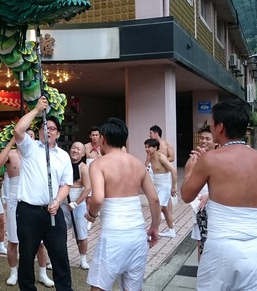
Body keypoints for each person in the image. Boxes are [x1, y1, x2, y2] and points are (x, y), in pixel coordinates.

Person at [181, 98, 257, 290]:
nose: (210, 127)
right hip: (253, 249)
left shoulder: (210, 159)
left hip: (221, 249)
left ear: (220, 127)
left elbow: (186, 195)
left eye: (212, 122)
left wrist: (189, 172)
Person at [85, 117, 161, 291]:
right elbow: (154, 199)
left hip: (113, 235)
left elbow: (97, 198)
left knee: (99, 287)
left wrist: (91, 215)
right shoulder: (137, 164)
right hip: (137, 235)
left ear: (103, 139)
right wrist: (154, 227)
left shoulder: (98, 164)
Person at [13, 96, 73, 291]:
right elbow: (18, 130)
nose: (48, 131)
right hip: (28, 211)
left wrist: (57, 201)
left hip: (53, 212)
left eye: (52, 128)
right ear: (39, 132)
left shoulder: (63, 156)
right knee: (27, 256)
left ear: (58, 133)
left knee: (60, 255)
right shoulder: (30, 148)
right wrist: (36, 110)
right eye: (43, 128)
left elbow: (66, 184)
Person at [0, 137, 54, 287]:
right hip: (15, 198)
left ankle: (42, 273)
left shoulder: (38, 153)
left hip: (33, 199)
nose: (29, 139)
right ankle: (13, 272)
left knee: (40, 243)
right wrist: (10, 143)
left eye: (32, 136)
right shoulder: (12, 154)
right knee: (13, 241)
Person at [186, 125, 217, 261]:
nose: (203, 141)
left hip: (215, 207)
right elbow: (187, 185)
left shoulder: (220, 158)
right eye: (202, 138)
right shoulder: (194, 158)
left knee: (213, 243)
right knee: (200, 243)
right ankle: (202, 274)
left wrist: (211, 195)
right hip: (199, 207)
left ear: (215, 141)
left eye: (207, 139)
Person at [62, 141, 92, 270]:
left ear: (83, 153)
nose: (75, 150)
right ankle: (58, 259)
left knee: (81, 234)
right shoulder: (64, 164)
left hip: (78, 205)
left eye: (78, 149)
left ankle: (83, 259)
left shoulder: (83, 168)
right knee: (59, 234)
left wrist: (76, 203)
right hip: (63, 204)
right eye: (73, 147)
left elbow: (88, 188)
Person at [145, 138, 178, 238]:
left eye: (149, 147)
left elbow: (174, 171)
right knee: (164, 210)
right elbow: (146, 167)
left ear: (155, 148)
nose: (147, 149)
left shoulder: (161, 157)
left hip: (165, 186)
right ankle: (171, 231)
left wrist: (173, 187)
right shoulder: (150, 157)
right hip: (157, 185)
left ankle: (152, 232)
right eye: (145, 147)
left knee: (157, 209)